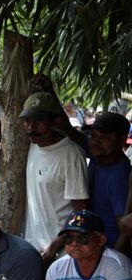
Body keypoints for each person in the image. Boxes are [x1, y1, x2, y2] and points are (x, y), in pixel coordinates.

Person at [19, 91, 90, 263]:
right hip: (32, 248)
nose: (31, 127)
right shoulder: (31, 146)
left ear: (55, 121)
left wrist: (56, 245)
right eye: (27, 121)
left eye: (39, 121)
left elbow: (81, 211)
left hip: (61, 254)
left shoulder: (71, 154)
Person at [84, 112, 130, 247]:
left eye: (103, 137)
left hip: (108, 251)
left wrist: (114, 261)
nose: (95, 142)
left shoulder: (120, 176)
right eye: (93, 135)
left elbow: (125, 230)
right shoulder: (98, 158)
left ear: (122, 140)